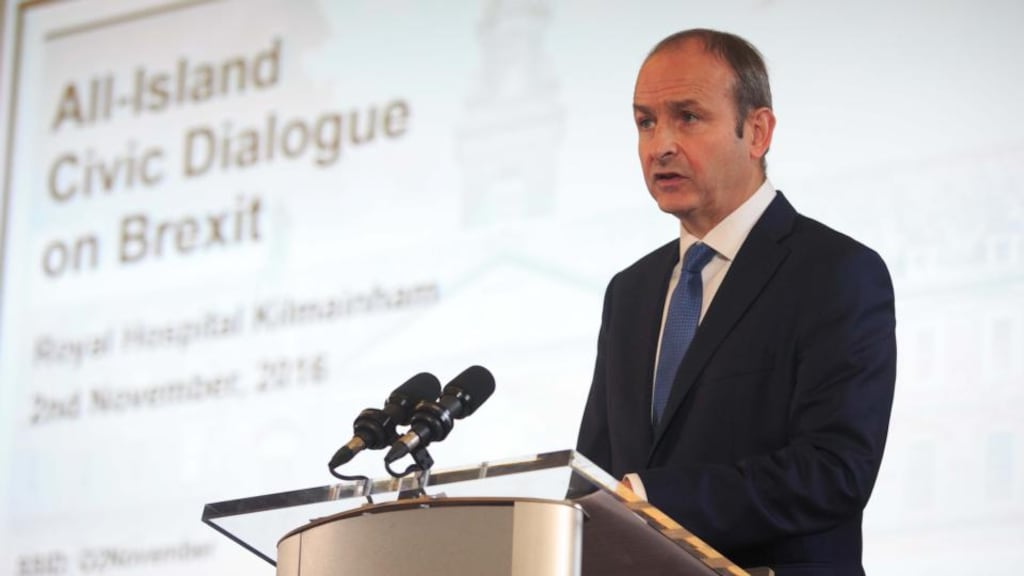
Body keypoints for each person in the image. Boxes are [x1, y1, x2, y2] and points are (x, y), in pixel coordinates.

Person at [575, 29, 896, 576]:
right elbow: (597, 478)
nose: (660, 145)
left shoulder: (835, 272)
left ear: (757, 131)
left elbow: (835, 471)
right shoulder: (629, 292)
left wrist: (652, 498)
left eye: (688, 117)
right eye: (645, 122)